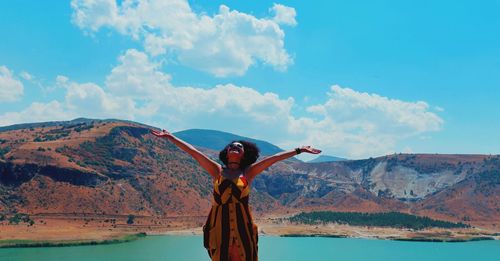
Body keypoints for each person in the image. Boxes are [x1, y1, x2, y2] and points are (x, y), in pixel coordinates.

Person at [151, 129, 321, 261]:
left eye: (239, 147)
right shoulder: (217, 171)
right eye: (232, 146)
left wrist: (299, 150)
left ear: (243, 154)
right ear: (227, 152)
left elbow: (273, 159)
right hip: (219, 224)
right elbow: (194, 153)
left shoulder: (248, 173)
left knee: (242, 256)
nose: (235, 147)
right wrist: (171, 137)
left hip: (243, 224)